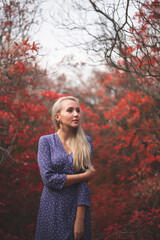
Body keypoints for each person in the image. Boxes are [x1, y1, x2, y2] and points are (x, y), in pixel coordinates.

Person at [35, 96, 95, 240]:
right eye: (70, 110)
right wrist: (83, 176)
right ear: (58, 117)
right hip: (52, 207)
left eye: (78, 111)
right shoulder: (46, 142)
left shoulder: (86, 142)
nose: (76, 114)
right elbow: (49, 179)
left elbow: (83, 186)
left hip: (77, 207)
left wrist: (80, 220)